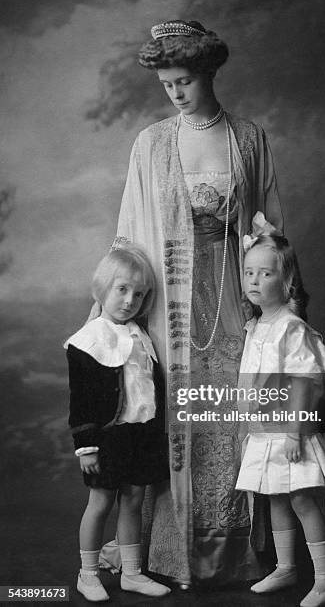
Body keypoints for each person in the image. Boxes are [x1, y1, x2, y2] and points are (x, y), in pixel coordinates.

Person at [99, 19, 288, 585]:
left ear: (207, 73)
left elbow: (271, 226)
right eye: (166, 85)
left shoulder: (248, 138)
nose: (176, 92)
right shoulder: (152, 142)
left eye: (184, 80)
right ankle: (171, 553)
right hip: (171, 301)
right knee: (175, 417)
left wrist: (259, 257)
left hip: (235, 294)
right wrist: (115, 310)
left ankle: (236, 554)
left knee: (233, 413)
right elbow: (131, 231)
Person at [235, 223, 325, 606]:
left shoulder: (291, 328)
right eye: (249, 272)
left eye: (266, 273)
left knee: (300, 498)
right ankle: (285, 567)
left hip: (290, 430)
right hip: (265, 430)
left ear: (287, 280)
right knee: (274, 498)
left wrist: (296, 432)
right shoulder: (256, 325)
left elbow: (305, 382)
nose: (255, 280)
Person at [64, 243, 171, 602]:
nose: (129, 301)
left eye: (138, 295)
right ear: (103, 289)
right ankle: (88, 573)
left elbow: (148, 390)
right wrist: (86, 447)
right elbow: (80, 401)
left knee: (134, 502)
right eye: (121, 289)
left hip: (141, 435)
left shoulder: (141, 335)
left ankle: (132, 573)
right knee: (100, 503)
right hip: (107, 439)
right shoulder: (88, 341)